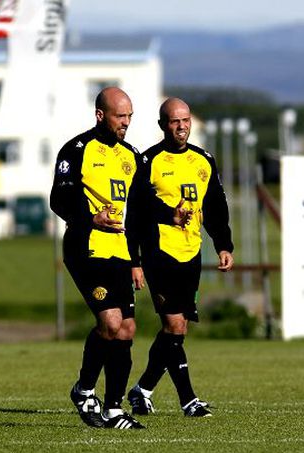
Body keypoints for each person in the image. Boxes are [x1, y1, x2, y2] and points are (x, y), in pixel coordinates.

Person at [126, 97, 234, 418]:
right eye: (174, 121)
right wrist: (134, 261)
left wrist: (224, 245)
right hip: (160, 255)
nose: (181, 126)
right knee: (173, 324)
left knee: (178, 329)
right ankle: (189, 400)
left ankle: (142, 390)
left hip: (192, 254)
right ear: (162, 125)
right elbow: (135, 216)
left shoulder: (203, 160)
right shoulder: (148, 162)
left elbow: (216, 207)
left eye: (185, 120)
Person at [50, 87, 145, 430]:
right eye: (121, 116)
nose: (126, 123)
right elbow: (58, 199)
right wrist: (91, 218)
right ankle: (84, 388)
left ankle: (113, 409)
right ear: (100, 115)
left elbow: (135, 214)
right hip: (86, 248)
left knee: (127, 329)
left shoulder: (132, 155)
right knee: (111, 322)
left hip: (120, 253)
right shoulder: (76, 150)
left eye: (130, 116)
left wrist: (136, 260)